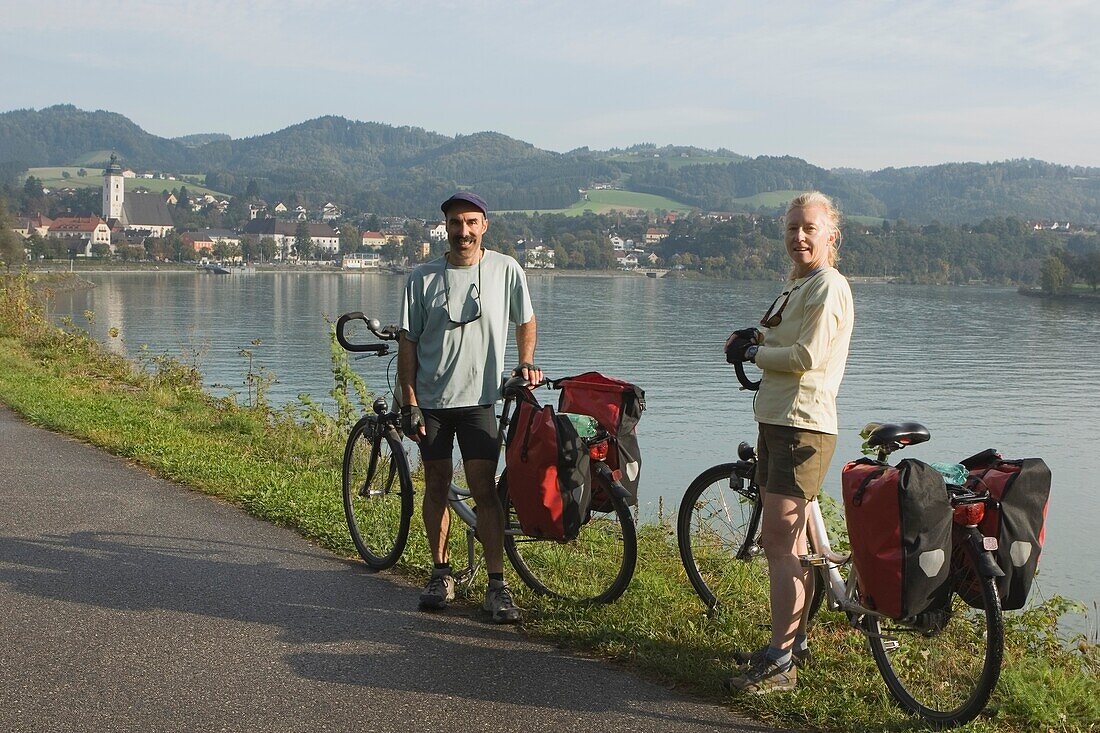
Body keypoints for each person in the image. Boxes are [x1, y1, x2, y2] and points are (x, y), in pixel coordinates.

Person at [723, 191, 854, 693]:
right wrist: (750, 337)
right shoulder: (799, 286)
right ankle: (788, 643)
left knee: (779, 543)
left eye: (810, 228)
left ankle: (781, 665)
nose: (799, 236)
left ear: (830, 236)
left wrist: (755, 353)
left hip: (803, 425)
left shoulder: (829, 287)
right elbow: (778, 337)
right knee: (792, 545)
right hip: (780, 420)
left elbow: (805, 355)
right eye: (792, 228)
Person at [398, 191, 542, 624]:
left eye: (472, 222)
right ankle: (440, 574)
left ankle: (497, 587)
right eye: (456, 223)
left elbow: (526, 319)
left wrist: (525, 361)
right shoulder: (421, 278)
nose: (464, 231)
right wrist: (409, 401)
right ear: (446, 227)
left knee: (484, 489)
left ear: (485, 226)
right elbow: (408, 343)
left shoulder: (505, 270)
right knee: (437, 486)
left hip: (481, 399)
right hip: (433, 403)